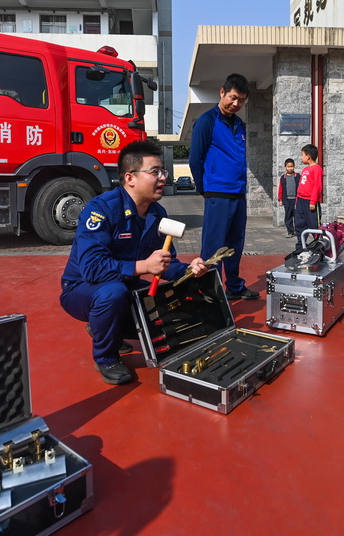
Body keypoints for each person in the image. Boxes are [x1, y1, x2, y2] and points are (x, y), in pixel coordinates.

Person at [61, 140, 209, 385]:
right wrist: (143, 267)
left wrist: (189, 269)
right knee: (113, 293)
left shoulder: (157, 213)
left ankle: (105, 329)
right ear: (130, 178)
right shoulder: (101, 209)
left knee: (165, 298)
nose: (163, 178)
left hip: (126, 284)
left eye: (164, 172)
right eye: (155, 172)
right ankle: (106, 357)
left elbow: (164, 262)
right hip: (82, 289)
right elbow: (92, 269)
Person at [189, 73, 258, 300]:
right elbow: (195, 159)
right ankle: (211, 291)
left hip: (238, 193)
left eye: (241, 100)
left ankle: (235, 287)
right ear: (222, 92)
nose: (236, 104)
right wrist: (203, 188)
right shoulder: (206, 121)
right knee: (214, 246)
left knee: (235, 245)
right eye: (233, 97)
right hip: (217, 193)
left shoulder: (239, 125)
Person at [293, 144, 323, 250]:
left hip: (310, 202)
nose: (301, 157)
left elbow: (317, 186)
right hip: (301, 201)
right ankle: (300, 247)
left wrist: (313, 201)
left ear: (308, 156)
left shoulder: (317, 169)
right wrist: (297, 200)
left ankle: (318, 246)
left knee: (314, 225)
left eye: (302, 155)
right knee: (299, 224)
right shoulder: (305, 169)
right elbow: (301, 185)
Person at [277, 158, 300, 238]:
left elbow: (301, 187)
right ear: (285, 167)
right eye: (288, 166)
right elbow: (280, 189)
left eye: (292, 166)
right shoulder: (283, 177)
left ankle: (298, 231)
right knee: (288, 216)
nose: (290, 168)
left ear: (294, 166)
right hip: (287, 200)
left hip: (296, 200)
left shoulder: (297, 176)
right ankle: (290, 232)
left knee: (297, 216)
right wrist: (280, 199)